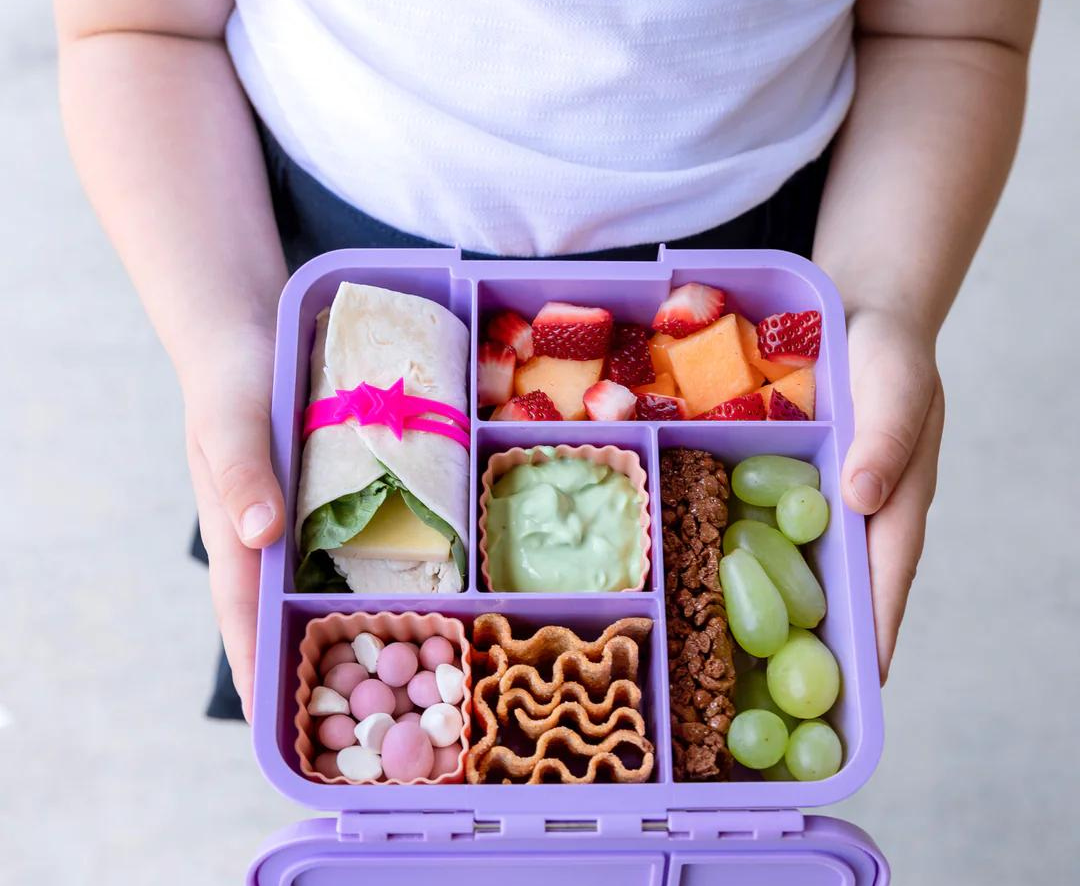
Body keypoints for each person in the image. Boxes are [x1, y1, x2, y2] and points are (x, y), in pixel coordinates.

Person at [55, 0, 1039, 721]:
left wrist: (881, 302)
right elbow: (136, 28)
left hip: (760, 268)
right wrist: (229, 337)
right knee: (356, 628)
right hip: (320, 273)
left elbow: (949, 31)